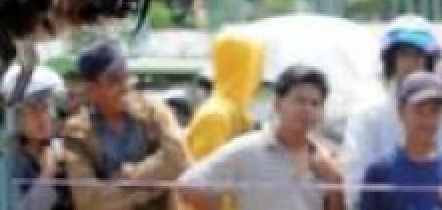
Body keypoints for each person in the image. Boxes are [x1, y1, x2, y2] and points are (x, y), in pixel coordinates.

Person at [177, 65, 344, 210]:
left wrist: (335, 181)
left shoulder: (327, 157)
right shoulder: (248, 149)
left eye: (316, 104)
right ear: (278, 104)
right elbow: (190, 184)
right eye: (300, 101)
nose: (308, 109)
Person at [343, 15, 442, 209]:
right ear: (390, 61)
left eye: (419, 55)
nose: (412, 62)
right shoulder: (365, 116)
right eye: (404, 54)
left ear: (430, 61)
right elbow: (355, 184)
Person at [60, 40, 188, 210]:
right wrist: (147, 189)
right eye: (114, 79)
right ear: (92, 88)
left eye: (126, 75)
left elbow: (177, 160)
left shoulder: (153, 110)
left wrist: (127, 177)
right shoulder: (76, 133)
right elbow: (88, 200)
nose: (125, 85)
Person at [358, 72, 442, 210]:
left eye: (434, 111)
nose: (426, 119)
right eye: (419, 110)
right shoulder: (379, 171)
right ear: (401, 112)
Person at [186, 31, 265, 162]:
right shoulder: (215, 115)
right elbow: (205, 176)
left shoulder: (241, 114)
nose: (259, 73)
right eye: (255, 63)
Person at [2, 65, 72, 210]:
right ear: (15, 117)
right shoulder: (10, 160)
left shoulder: (61, 147)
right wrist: (47, 172)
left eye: (45, 107)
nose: (42, 117)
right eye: (33, 109)